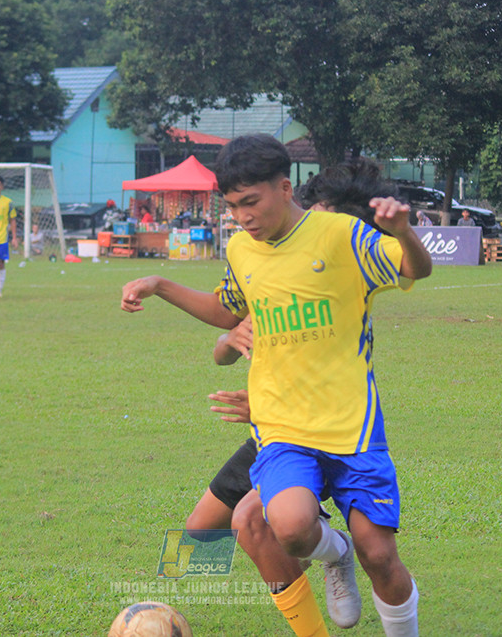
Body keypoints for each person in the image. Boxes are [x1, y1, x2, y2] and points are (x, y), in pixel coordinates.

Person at [122, 135, 431, 637]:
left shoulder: (342, 247)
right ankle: (199, 591)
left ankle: (320, 569)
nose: (242, 217)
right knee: (207, 534)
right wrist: (174, 298)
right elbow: (227, 333)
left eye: (250, 202)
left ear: (286, 190)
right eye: (232, 206)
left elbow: (413, 268)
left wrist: (403, 233)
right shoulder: (245, 253)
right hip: (276, 424)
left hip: (340, 425)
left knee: (257, 525)